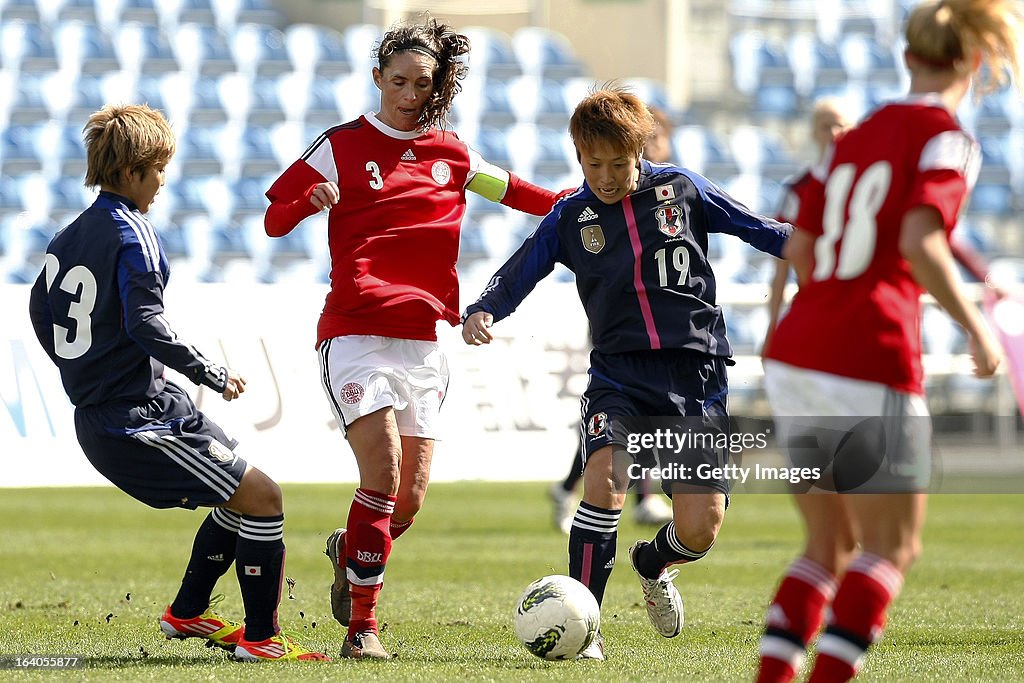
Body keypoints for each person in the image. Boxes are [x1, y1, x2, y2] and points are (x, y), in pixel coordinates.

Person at [262, 18, 564, 660]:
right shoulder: (340, 145)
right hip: (355, 333)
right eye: (397, 80)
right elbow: (272, 219)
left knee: (408, 501)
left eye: (420, 83)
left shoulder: (454, 157)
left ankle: (352, 551)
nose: (408, 93)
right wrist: (308, 203)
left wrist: (588, 196)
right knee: (383, 471)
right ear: (377, 78)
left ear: (436, 86)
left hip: (424, 343)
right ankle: (362, 629)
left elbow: (523, 195)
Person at [462, 85, 790, 660]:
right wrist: (485, 307)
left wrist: (829, 249)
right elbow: (520, 270)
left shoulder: (682, 190)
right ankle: (585, 626)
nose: (607, 177)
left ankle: (652, 561)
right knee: (604, 483)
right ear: (578, 156)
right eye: (593, 164)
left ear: (641, 150)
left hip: (695, 374)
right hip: (618, 373)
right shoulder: (570, 215)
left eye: (619, 163)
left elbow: (759, 228)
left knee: (701, 528)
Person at [756, 1, 1020, 681]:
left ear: (908, 58)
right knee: (890, 549)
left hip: (800, 346)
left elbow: (806, 247)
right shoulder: (947, 137)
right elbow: (919, 240)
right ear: (977, 62)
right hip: (866, 348)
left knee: (827, 545)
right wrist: (978, 326)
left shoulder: (856, 133)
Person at [27, 104, 326, 662]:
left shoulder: (67, 238)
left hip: (146, 404)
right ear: (133, 170)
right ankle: (261, 641)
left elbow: (41, 313)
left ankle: (185, 615)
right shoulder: (132, 233)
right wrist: (207, 371)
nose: (164, 181)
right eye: (159, 168)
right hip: (130, 419)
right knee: (264, 498)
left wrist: (81, 369)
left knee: (240, 496)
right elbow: (145, 323)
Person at [549, 104, 677, 533]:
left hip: (661, 331)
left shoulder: (674, 193)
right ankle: (615, 493)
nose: (657, 148)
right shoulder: (593, 202)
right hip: (619, 327)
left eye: (660, 140)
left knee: (626, 424)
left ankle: (585, 489)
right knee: (622, 418)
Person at [763, 98, 851, 350]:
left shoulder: (866, 186)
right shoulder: (799, 190)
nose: (834, 133)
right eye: (826, 126)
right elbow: (781, 264)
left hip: (857, 309)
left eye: (840, 125)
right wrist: (772, 327)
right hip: (815, 309)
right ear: (813, 132)